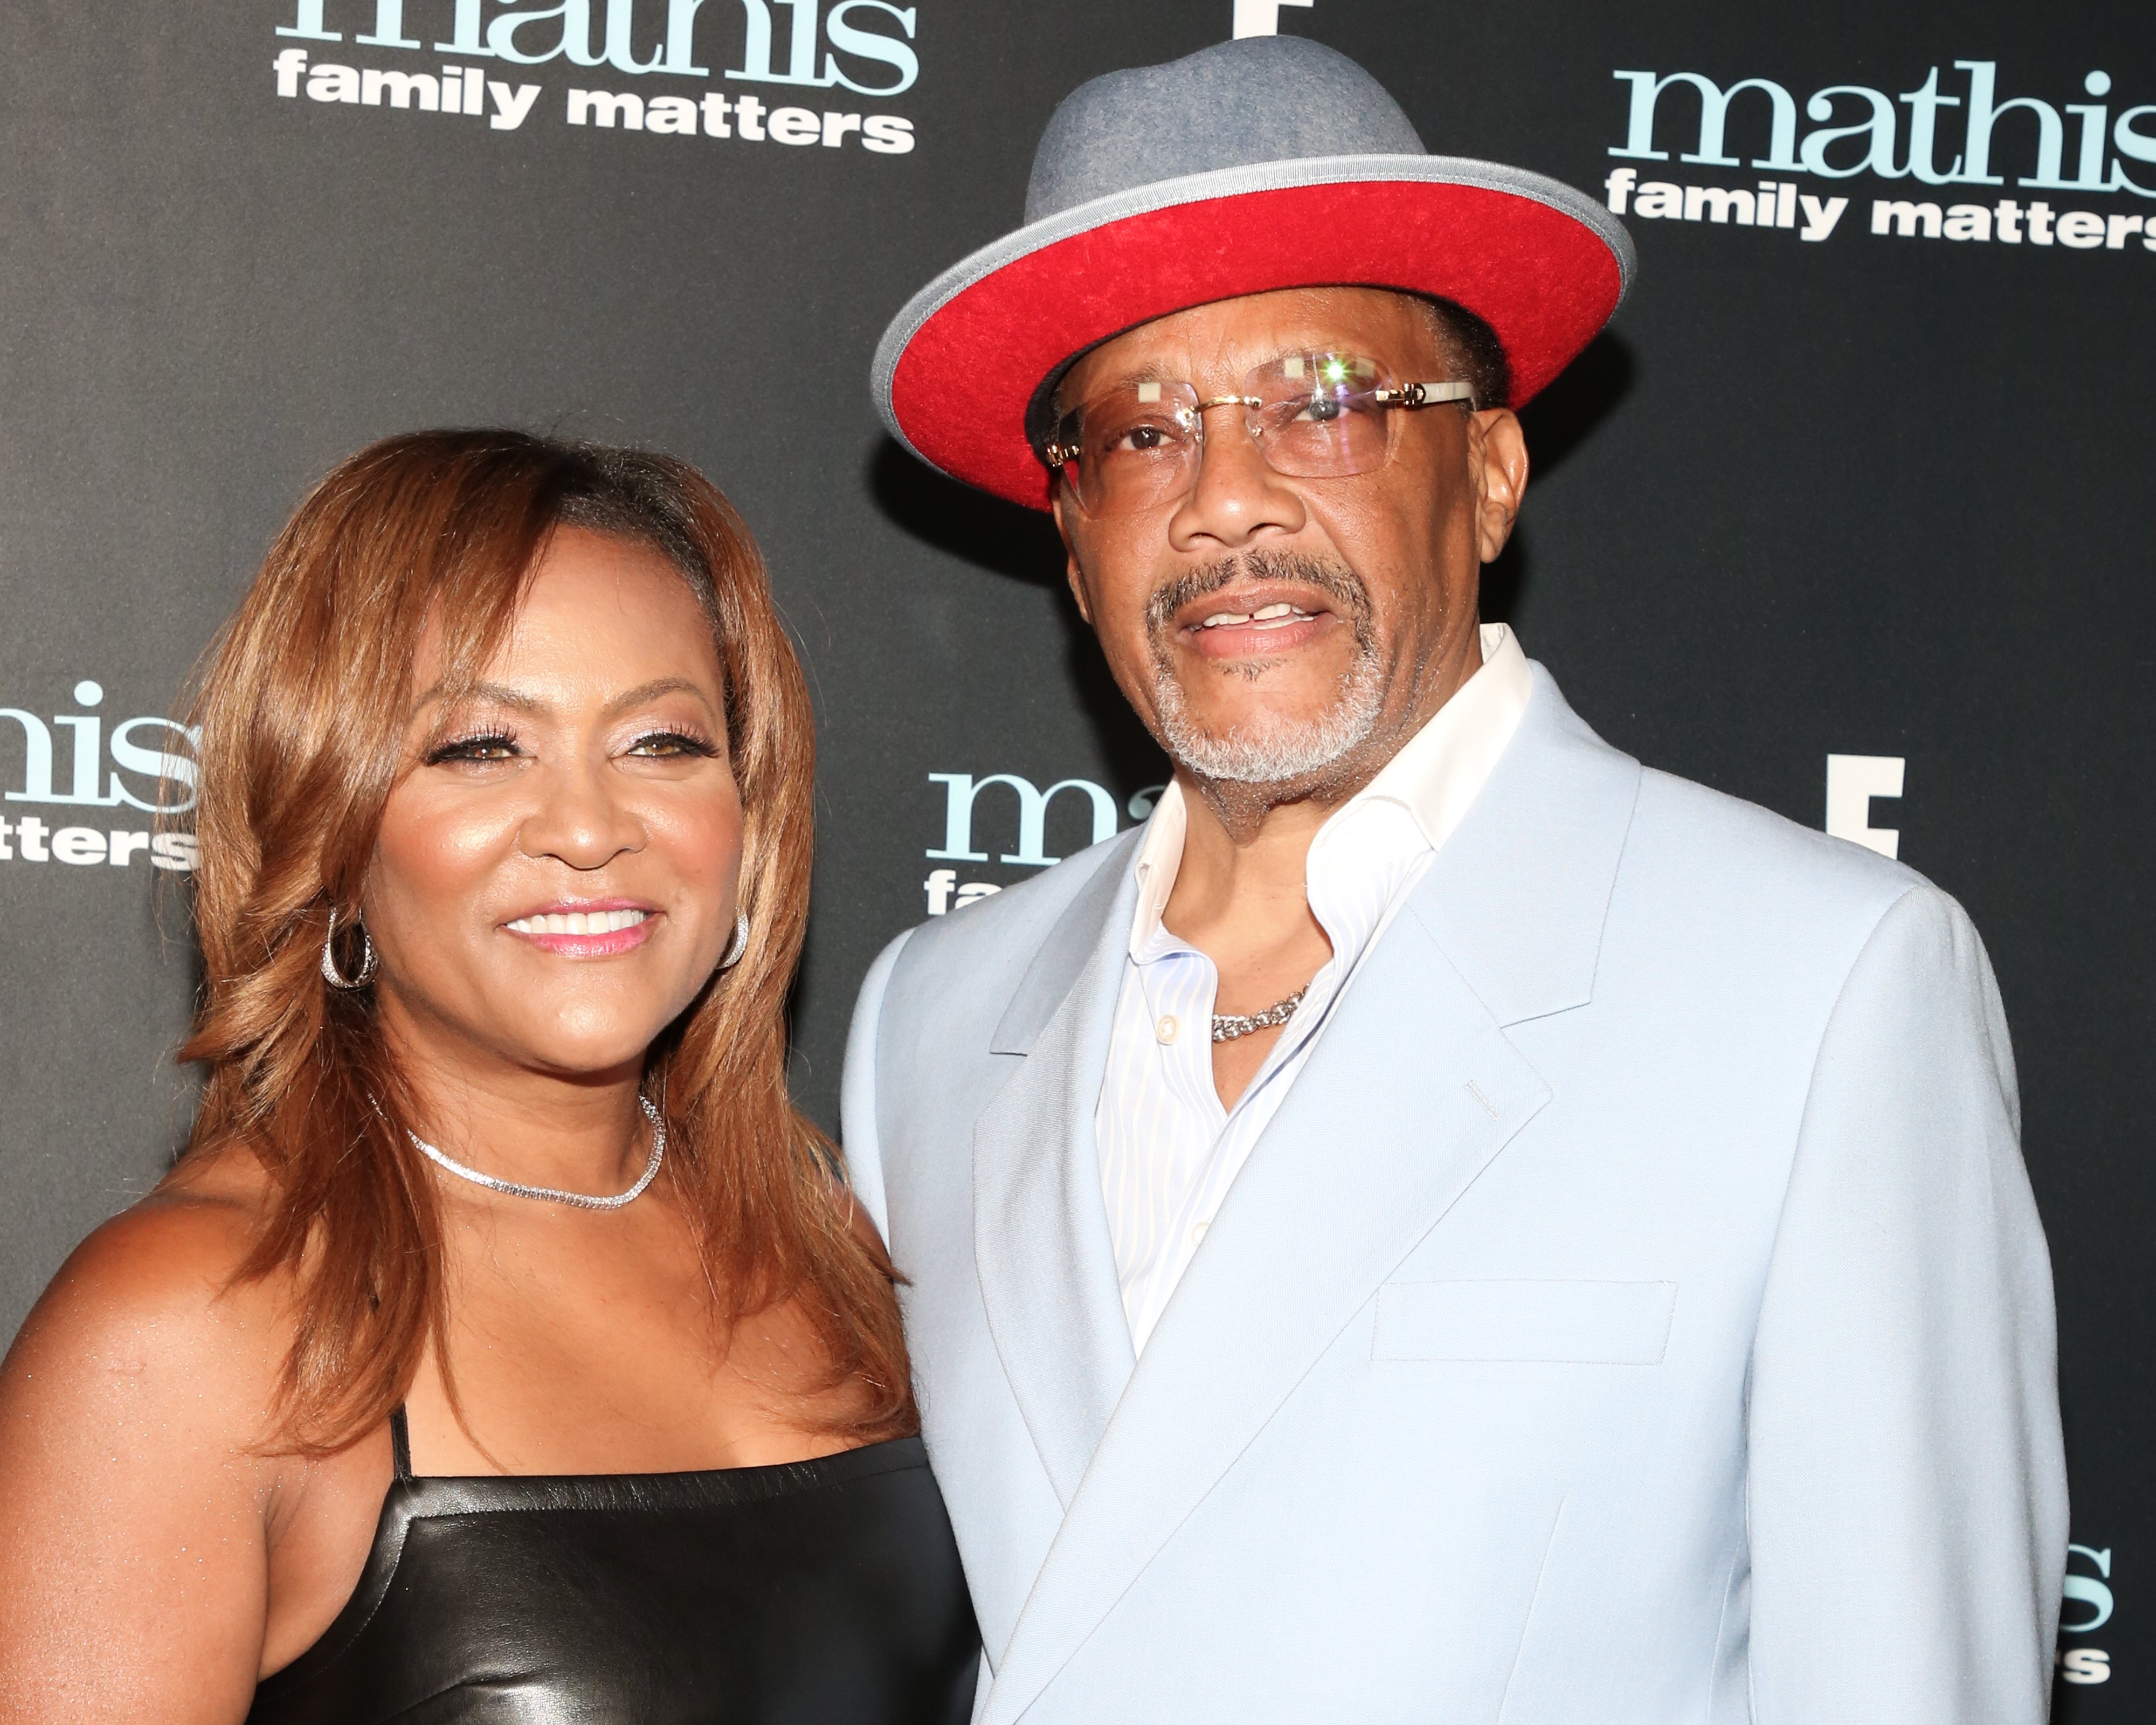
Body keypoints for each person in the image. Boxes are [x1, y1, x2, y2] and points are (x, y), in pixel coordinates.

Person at [848, 34, 2066, 1724]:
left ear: (1491, 476)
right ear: (1072, 539)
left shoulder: (1820, 987)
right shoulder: (932, 1019)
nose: (1226, 503)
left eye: (1324, 406)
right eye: (1142, 434)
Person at [0, 432, 979, 1723]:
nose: (586, 826)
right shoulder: (188, 1327)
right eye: (478, 748)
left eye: (663, 743)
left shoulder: (841, 1245)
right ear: (332, 828)